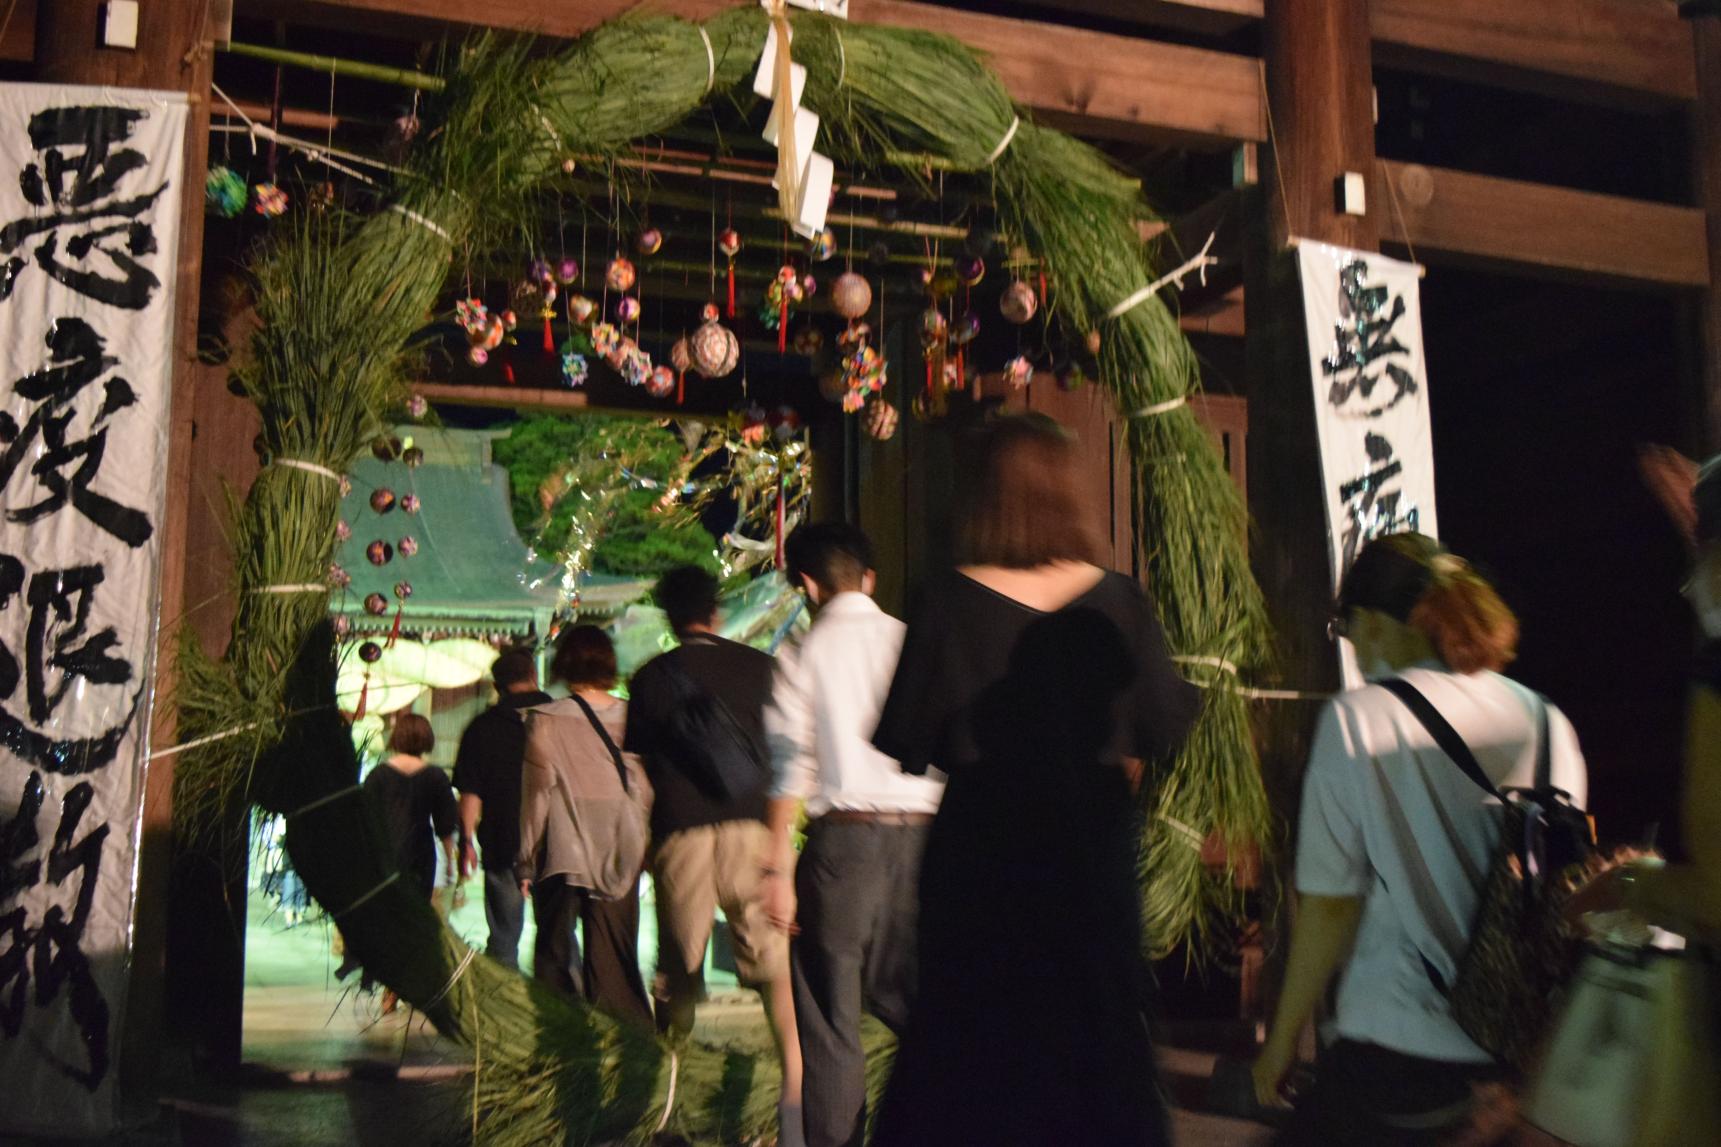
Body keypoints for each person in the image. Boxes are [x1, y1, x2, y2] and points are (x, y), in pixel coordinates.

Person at [868, 413, 1201, 1147]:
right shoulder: (1119, 600)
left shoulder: (947, 599)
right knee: (1095, 1018)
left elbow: (906, 737)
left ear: (981, 495)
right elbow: (1167, 722)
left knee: (969, 1022)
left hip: (980, 840)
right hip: (1091, 837)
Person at [1251, 532, 1589, 1145]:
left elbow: (1330, 905)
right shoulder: (1548, 721)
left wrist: (1279, 1045)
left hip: (1396, 1053)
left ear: (1377, 622)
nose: (1351, 648)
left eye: (1346, 629)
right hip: (1515, 1064)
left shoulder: (1358, 719)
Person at [761, 523, 944, 1147]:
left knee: (831, 1026)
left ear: (809, 585)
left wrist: (778, 872)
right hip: (927, 845)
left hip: (842, 849)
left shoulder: (801, 654)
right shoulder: (915, 644)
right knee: (929, 1011)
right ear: (870, 579)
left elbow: (791, 766)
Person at [624, 565, 803, 1138]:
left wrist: (646, 844)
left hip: (682, 834)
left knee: (680, 971)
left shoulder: (651, 678)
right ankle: (796, 1094)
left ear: (670, 617)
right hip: (753, 831)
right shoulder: (763, 669)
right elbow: (786, 762)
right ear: (717, 611)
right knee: (775, 969)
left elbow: (642, 773)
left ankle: (669, 1101)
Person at [515, 626, 654, 1028]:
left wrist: (526, 857)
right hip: (620, 845)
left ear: (564, 664)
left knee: (555, 954)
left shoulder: (545, 721)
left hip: (563, 847)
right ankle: (623, 1044)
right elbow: (644, 788)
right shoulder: (634, 717)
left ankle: (562, 1036)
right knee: (615, 956)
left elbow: (537, 796)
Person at [453, 649, 551, 970]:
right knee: (557, 936)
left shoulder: (481, 728)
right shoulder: (560, 717)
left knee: (504, 939)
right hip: (555, 841)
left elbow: (471, 794)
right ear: (533, 676)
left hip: (502, 840)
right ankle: (560, 1008)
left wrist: (466, 841)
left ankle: (503, 1002)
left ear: (497, 686)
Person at [364, 712, 460, 903]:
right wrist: (450, 861)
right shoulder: (436, 776)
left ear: (396, 737)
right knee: (417, 913)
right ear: (427, 739)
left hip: (384, 855)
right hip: (421, 854)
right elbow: (446, 825)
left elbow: (365, 822)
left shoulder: (377, 776)